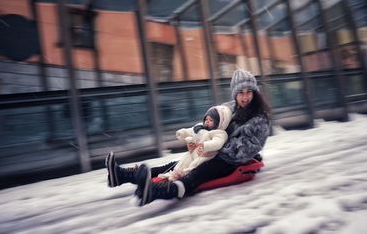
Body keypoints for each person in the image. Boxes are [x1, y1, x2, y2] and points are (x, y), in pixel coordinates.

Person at [105, 68, 271, 206]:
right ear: (234, 93)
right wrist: (200, 139)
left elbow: (246, 148)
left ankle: (156, 191)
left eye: (249, 92)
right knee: (177, 165)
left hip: (230, 159)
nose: (245, 96)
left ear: (255, 93)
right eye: (241, 92)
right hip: (212, 149)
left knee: (198, 172)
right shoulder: (230, 108)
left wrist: (213, 147)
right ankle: (121, 175)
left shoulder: (259, 119)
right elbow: (211, 124)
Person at [157, 105, 232, 181]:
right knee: (185, 161)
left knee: (195, 164)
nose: (207, 121)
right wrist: (183, 133)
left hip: (206, 155)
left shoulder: (220, 133)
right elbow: (191, 130)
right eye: (206, 119)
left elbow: (217, 143)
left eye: (211, 120)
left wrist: (205, 145)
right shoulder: (200, 127)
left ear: (219, 122)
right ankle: (175, 172)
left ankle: (185, 175)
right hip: (194, 151)